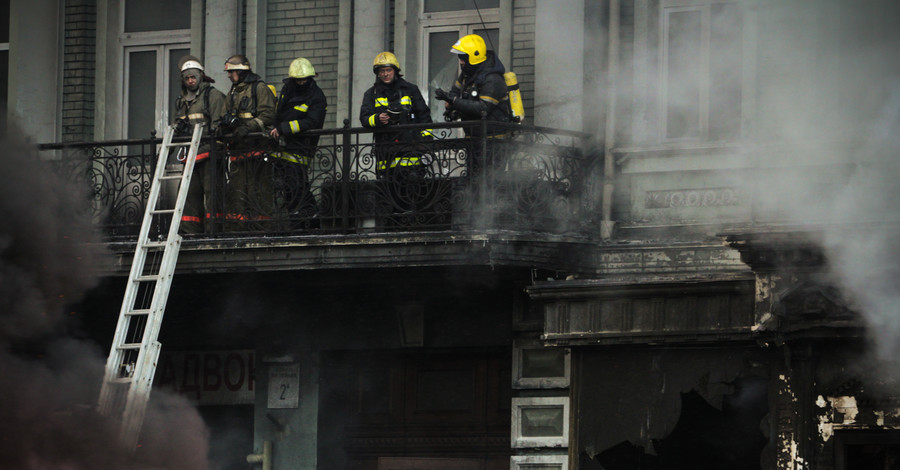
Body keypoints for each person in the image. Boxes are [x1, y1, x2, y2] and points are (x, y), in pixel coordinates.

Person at [359, 52, 434, 222]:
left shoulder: (410, 90)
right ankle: (393, 223)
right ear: (377, 73)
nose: (385, 74)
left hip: (410, 149)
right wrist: (378, 119)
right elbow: (364, 118)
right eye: (382, 71)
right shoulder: (371, 94)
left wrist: (426, 141)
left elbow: (424, 116)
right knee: (388, 190)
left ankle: (411, 221)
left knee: (413, 188)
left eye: (388, 70)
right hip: (386, 150)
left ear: (395, 70)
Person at [440, 34, 512, 176]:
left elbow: (483, 109)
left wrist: (454, 102)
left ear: (473, 57)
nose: (460, 62)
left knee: (490, 182)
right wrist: (451, 106)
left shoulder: (492, 79)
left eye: (463, 57)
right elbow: (455, 92)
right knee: (473, 181)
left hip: (493, 143)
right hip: (473, 139)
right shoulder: (467, 75)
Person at [269, 57, 327, 228]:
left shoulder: (317, 96)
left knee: (297, 185)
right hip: (283, 146)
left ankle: (309, 220)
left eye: (304, 79)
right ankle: (298, 219)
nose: (301, 82)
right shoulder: (288, 89)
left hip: (302, 146)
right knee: (288, 187)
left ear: (310, 78)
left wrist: (284, 128)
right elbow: (280, 112)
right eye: (298, 79)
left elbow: (312, 122)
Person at [171, 55, 226, 234]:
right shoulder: (181, 102)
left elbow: (219, 126)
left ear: (200, 76)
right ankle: (189, 231)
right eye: (186, 78)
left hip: (209, 154)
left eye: (193, 77)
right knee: (188, 196)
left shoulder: (213, 96)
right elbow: (176, 126)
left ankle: (213, 231)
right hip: (190, 156)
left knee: (212, 194)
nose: (190, 81)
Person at [221, 54, 276, 230]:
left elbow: (268, 115)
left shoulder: (259, 88)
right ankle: (238, 229)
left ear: (241, 71)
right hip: (238, 151)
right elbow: (225, 115)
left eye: (231, 72)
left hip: (257, 151)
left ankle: (262, 229)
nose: (229, 76)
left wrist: (248, 127)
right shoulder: (233, 92)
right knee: (237, 193)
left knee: (259, 191)